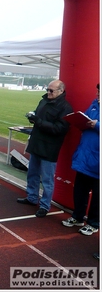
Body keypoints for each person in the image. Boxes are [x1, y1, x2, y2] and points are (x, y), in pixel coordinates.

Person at [17, 79, 73, 217]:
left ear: (61, 91)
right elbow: (38, 115)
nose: (48, 92)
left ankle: (45, 205)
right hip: (37, 143)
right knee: (32, 173)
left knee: (47, 180)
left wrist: (39, 122)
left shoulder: (65, 108)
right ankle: (31, 197)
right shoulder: (43, 101)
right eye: (47, 89)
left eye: (51, 91)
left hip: (50, 148)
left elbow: (60, 129)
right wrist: (32, 117)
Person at [62, 83, 99, 236]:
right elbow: (86, 119)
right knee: (80, 191)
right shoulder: (94, 104)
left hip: (98, 160)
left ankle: (93, 223)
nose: (98, 94)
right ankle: (78, 217)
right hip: (85, 155)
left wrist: (97, 125)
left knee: (97, 196)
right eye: (97, 91)